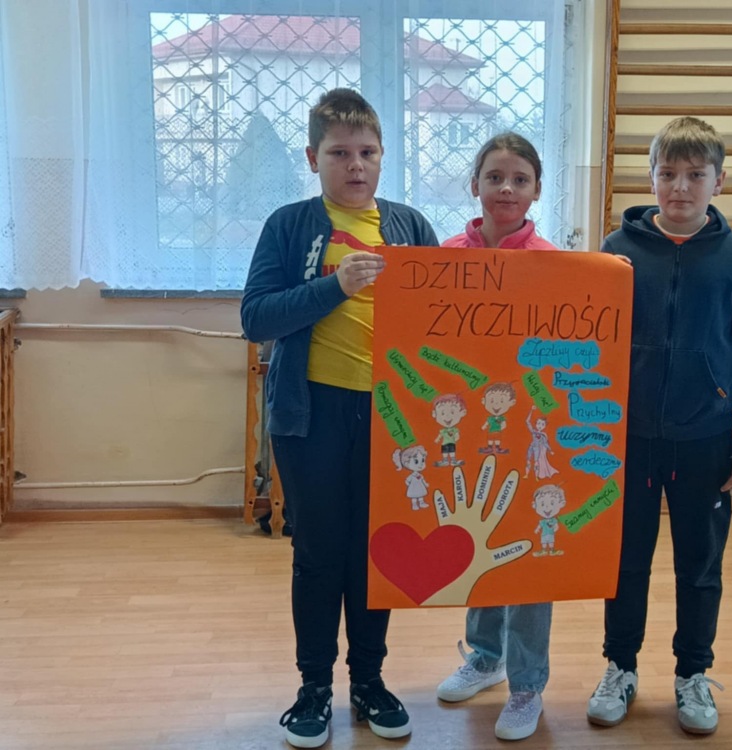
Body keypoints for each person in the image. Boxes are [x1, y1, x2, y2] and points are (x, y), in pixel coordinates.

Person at [241, 88, 438, 748]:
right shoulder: (290, 225)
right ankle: (314, 688)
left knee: (375, 555)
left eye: (367, 153)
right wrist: (335, 287)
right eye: (340, 154)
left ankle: (369, 681)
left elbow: (442, 324)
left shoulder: (410, 225)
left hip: (391, 419)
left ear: (383, 156)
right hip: (311, 416)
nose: (356, 166)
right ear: (312, 158)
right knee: (319, 554)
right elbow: (256, 318)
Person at [586, 116, 732, 736]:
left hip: (705, 443)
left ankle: (693, 673)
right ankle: (619, 666)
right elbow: (588, 345)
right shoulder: (616, 250)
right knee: (625, 564)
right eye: (667, 173)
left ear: (718, 182)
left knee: (699, 566)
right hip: (629, 440)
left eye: (695, 175)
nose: (680, 187)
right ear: (650, 178)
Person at [434, 132, 559, 741]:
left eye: (520, 179)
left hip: (531, 427)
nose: (506, 189)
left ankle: (528, 684)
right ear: (475, 184)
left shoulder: (554, 265)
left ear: (536, 191)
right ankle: (486, 657)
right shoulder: (443, 259)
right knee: (477, 532)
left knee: (529, 550)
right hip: (469, 427)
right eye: (494, 177)